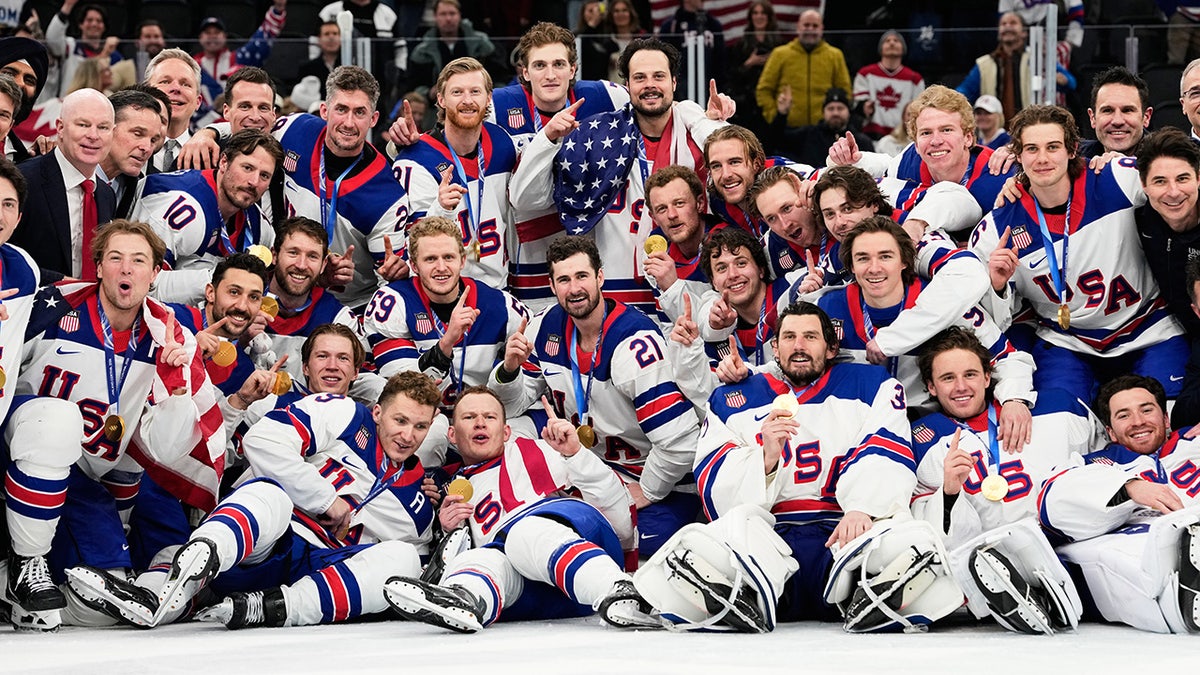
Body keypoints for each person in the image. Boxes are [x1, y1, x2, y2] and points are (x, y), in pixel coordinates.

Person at [656, 301, 959, 632]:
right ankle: (748, 595)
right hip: (771, 537)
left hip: (843, 534)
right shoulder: (732, 398)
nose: (798, 346)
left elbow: (884, 446)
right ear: (775, 347)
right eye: (789, 337)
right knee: (710, 538)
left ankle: (863, 594)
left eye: (810, 337)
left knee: (907, 535)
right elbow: (714, 480)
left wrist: (864, 508)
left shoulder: (873, 385)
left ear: (831, 348)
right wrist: (766, 458)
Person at [65, 371, 443, 631]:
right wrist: (326, 498)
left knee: (406, 560)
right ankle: (185, 572)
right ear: (378, 412)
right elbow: (262, 440)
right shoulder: (345, 414)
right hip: (262, 539)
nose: (408, 435)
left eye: (421, 426)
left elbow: (401, 579)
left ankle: (274, 609)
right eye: (400, 420)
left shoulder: (418, 506)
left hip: (315, 571)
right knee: (271, 494)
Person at [2, 220, 221, 631]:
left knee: (109, 595)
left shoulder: (169, 338)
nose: (126, 269)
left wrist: (174, 393)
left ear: (155, 274)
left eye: (139, 261)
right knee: (57, 421)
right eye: (115, 258)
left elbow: (165, 449)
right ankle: (26, 563)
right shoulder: (52, 307)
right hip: (14, 449)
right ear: (98, 266)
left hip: (82, 481)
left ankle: (12, 595)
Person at [491, 236, 700, 556]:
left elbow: (681, 440)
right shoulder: (543, 325)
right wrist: (509, 370)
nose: (574, 288)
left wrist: (648, 489)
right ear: (551, 284)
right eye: (563, 279)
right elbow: (513, 405)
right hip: (589, 463)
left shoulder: (633, 342)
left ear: (600, 277)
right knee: (509, 435)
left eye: (581, 276)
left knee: (622, 543)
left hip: (651, 473)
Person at [382, 385, 652, 632]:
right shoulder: (446, 488)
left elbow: (615, 505)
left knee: (524, 534)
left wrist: (575, 455)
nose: (480, 423)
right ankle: (466, 598)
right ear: (451, 434)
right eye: (468, 417)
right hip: (543, 593)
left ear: (506, 431)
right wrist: (448, 531)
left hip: (587, 565)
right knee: (482, 559)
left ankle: (620, 591)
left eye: (489, 417)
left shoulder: (536, 451)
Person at [971, 105, 1189, 403]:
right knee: (1056, 422)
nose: (1043, 158)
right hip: (1068, 341)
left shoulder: (1115, 178)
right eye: (1032, 149)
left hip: (1149, 329)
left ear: (1073, 149)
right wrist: (996, 287)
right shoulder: (996, 229)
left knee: (1170, 417)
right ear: (1018, 156)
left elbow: (1177, 191)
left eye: (1053, 147)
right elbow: (988, 318)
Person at [509, 37, 732, 320]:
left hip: (692, 290)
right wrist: (548, 139)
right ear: (627, 86)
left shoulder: (698, 136)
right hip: (618, 298)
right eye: (639, 77)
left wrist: (713, 123)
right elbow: (524, 199)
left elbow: (740, 179)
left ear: (674, 82)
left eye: (659, 76)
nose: (650, 85)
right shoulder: (595, 137)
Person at [908, 326, 1092, 633]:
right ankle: (1012, 592)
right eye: (947, 378)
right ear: (931, 387)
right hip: (981, 553)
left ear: (987, 377)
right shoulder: (923, 437)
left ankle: (1033, 594)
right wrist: (949, 491)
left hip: (1057, 540)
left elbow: (1097, 461)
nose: (960, 386)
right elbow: (927, 523)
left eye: (969, 374)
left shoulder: (1056, 407)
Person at [192, 66, 410, 309]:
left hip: (344, 305)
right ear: (325, 111)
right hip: (276, 286)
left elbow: (389, 282)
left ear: (374, 119)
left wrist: (397, 272)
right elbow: (251, 130)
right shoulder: (294, 129)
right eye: (341, 109)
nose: (349, 122)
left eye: (359, 112)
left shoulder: (388, 197)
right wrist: (207, 133)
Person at [811, 216, 1034, 417]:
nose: (874, 268)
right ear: (851, 265)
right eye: (862, 258)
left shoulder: (945, 303)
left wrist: (1014, 399)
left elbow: (1008, 358)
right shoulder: (826, 308)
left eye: (885, 256)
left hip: (927, 424)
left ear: (905, 261)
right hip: (856, 422)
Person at [1038, 375, 1200, 634]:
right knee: (1117, 564)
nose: (1138, 422)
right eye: (1123, 415)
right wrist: (1128, 489)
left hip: (1191, 530)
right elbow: (1051, 506)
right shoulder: (1092, 464)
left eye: (1147, 410)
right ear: (1110, 431)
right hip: (1131, 548)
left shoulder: (1193, 442)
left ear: (1166, 419)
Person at [483, 22, 628, 311]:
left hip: (589, 251)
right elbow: (448, 134)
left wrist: (704, 116)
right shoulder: (497, 105)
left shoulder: (607, 97)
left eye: (559, 64)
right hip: (529, 254)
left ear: (573, 69)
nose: (550, 75)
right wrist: (400, 144)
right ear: (524, 72)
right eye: (539, 65)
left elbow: (659, 108)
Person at [364, 215, 527, 406]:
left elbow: (518, 397)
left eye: (449, 257)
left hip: (480, 418)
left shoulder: (500, 305)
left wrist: (508, 371)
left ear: (463, 260)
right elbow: (407, 394)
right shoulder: (393, 303)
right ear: (414, 265)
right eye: (430, 259)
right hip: (423, 421)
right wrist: (447, 342)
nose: (441, 267)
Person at [393, 57, 517, 290]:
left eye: (475, 91)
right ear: (441, 99)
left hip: (500, 288)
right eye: (457, 92)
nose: (467, 100)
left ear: (488, 97)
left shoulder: (502, 143)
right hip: (445, 292)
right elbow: (417, 245)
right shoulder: (415, 160)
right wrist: (441, 209)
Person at [132, 128, 283, 304]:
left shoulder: (256, 222)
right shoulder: (183, 208)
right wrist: (223, 279)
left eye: (264, 175)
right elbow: (142, 286)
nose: (254, 182)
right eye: (247, 168)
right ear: (224, 162)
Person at [12, 87, 113, 281]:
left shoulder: (106, 195)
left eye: (103, 127)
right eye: (83, 125)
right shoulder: (22, 181)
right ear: (60, 128)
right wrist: (62, 284)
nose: (93, 135)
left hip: (90, 308)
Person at [955, 12, 1075, 123]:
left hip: (1031, 125)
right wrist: (951, 98)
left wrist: (1062, 79)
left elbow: (1071, 83)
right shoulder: (985, 64)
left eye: (1013, 23)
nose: (1007, 26)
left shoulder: (1037, 58)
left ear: (1024, 32)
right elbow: (964, 91)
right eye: (1003, 24)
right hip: (995, 133)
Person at [642, 164, 719, 321]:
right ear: (653, 217)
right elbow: (668, 324)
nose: (672, 215)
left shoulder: (725, 244)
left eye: (679, 203)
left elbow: (719, 323)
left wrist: (671, 286)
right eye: (662, 209)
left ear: (700, 203)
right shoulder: (656, 249)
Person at [754, 10, 850, 129]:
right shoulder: (780, 54)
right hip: (787, 130)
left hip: (823, 131)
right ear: (798, 27)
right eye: (806, 25)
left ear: (822, 28)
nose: (810, 29)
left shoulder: (835, 55)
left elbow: (845, 91)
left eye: (815, 26)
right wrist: (774, 116)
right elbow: (764, 90)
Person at [96, 89, 163, 219]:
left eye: (153, 140)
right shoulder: (61, 170)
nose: (147, 148)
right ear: (107, 128)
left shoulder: (140, 187)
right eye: (138, 134)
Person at [408, 0, 498, 97]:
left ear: (460, 15)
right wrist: (429, 92)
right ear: (435, 17)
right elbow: (414, 86)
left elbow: (499, 77)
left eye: (452, 13)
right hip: (436, 106)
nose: (448, 18)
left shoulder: (482, 44)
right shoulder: (422, 51)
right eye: (443, 14)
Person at [770, 86, 873, 169]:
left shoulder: (862, 141)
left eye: (840, 108)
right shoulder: (808, 135)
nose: (835, 113)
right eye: (831, 108)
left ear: (849, 112)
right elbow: (777, 141)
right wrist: (782, 114)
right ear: (823, 112)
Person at [193, 5, 286, 95]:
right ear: (200, 37)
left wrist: (278, 8)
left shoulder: (239, 59)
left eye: (217, 32)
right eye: (208, 33)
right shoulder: (194, 66)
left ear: (225, 37)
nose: (212, 36)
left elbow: (264, 35)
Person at [852, 29, 925, 140]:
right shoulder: (865, 74)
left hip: (902, 139)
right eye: (887, 40)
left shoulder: (915, 79)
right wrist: (864, 107)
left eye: (896, 40)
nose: (892, 43)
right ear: (881, 48)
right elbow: (857, 106)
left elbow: (918, 111)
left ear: (903, 48)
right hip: (872, 136)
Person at [726, 0, 784, 137]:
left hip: (771, 101)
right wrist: (749, 63)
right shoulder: (741, 45)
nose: (759, 16)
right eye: (755, 13)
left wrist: (773, 61)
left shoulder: (779, 45)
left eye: (763, 13)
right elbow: (732, 76)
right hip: (747, 104)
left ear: (769, 16)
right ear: (751, 17)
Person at [44, 1, 121, 101]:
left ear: (104, 26)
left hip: (100, 105)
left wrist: (107, 53)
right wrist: (68, 5)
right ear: (81, 24)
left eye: (99, 21)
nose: (94, 24)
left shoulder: (114, 55)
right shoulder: (71, 46)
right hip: (69, 103)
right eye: (89, 20)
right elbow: (52, 39)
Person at [144, 49, 202, 173]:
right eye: (165, 82)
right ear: (146, 93)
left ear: (198, 101)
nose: (176, 88)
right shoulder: (125, 149)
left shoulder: (211, 155)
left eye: (185, 84)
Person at [657, 0, 726, 97]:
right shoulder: (671, 26)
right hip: (680, 87)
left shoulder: (713, 25)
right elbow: (663, 59)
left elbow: (720, 59)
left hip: (708, 84)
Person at [0, 36, 49, 163]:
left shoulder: (20, 156)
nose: (20, 83)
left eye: (29, 80)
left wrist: (33, 162)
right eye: (9, 73)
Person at [109, 20, 167, 91]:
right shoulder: (124, 67)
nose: (153, 40)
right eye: (147, 37)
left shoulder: (172, 67)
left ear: (163, 41)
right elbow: (104, 86)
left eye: (156, 36)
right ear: (137, 42)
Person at [296, 21, 341, 99]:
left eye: (335, 33)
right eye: (327, 34)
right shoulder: (307, 68)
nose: (331, 37)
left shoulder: (350, 65)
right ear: (319, 39)